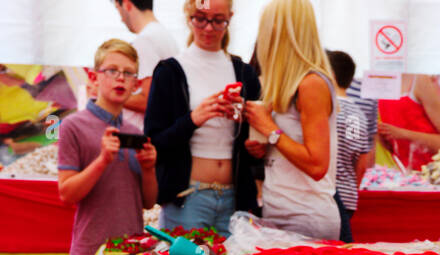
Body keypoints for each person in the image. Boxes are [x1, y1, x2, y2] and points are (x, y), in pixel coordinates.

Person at [145, 0, 261, 235]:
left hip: (235, 198)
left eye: (218, 21)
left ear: (230, 18)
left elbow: (256, 145)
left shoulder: (245, 73)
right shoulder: (170, 71)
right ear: (188, 17)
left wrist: (245, 118)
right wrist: (193, 119)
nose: (208, 28)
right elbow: (153, 142)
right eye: (201, 19)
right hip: (187, 197)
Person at [58, 40, 158, 255]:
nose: (120, 79)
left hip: (132, 254)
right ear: (95, 76)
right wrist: (102, 160)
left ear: (136, 83)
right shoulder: (73, 126)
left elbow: (148, 202)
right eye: (112, 70)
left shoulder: (134, 132)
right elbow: (67, 193)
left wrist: (149, 168)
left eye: (128, 73)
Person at [244, 0, 340, 241]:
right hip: (281, 211)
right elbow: (295, 148)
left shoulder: (311, 84)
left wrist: (270, 130)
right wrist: (265, 148)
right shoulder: (290, 83)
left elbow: (317, 165)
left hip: (305, 216)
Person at [327, 50, 372, 243]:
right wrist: (352, 187)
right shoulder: (357, 113)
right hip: (349, 196)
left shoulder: (326, 108)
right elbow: (360, 160)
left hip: (327, 194)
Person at [378, 74, 440, 171]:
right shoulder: (381, 84)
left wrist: (402, 134)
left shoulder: (420, 82)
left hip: (439, 175)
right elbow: (394, 146)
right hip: (408, 177)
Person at [112, 0, 178, 118]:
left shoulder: (145, 41)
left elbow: (149, 100)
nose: (121, 19)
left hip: (144, 132)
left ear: (127, 4)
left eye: (118, 9)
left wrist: (109, 95)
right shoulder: (163, 34)